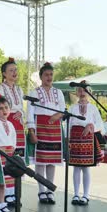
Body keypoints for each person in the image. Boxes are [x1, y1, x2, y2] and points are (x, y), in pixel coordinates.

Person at [27, 62, 65, 204]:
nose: (49, 77)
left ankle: (50, 190)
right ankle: (41, 191)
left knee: (52, 162)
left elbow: (62, 109)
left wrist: (57, 116)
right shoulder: (34, 92)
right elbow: (30, 114)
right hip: (40, 127)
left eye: (51, 74)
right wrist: (32, 132)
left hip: (54, 128)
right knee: (41, 161)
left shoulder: (58, 92)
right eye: (46, 75)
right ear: (41, 77)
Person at [0, 57, 26, 206]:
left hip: (17, 127)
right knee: (7, 161)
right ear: (4, 73)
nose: (14, 73)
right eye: (11, 70)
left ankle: (13, 193)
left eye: (15, 70)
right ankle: (6, 195)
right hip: (6, 125)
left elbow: (22, 108)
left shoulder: (19, 89)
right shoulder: (0, 88)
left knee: (17, 160)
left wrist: (21, 114)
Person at [68, 81, 104, 206]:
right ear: (76, 92)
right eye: (79, 89)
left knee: (86, 167)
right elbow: (68, 124)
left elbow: (100, 125)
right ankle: (76, 194)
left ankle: (86, 195)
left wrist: (91, 126)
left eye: (84, 89)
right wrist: (68, 139)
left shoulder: (93, 108)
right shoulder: (72, 107)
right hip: (75, 138)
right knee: (76, 167)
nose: (81, 92)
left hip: (87, 138)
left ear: (89, 91)